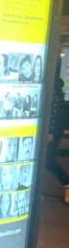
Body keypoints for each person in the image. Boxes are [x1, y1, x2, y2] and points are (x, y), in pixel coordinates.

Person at [47, 67, 69, 202]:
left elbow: (55, 116)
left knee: (48, 159)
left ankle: (66, 183)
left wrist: (51, 132)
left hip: (51, 133)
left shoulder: (54, 95)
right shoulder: (59, 95)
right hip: (53, 132)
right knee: (47, 159)